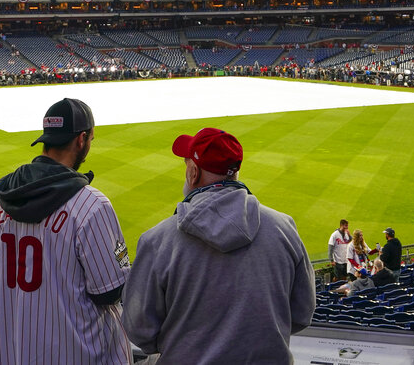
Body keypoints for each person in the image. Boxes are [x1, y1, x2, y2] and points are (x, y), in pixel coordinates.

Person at [122, 127, 315, 364]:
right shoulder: (284, 228)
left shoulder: (157, 240)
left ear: (193, 172)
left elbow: (140, 331)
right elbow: (302, 314)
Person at [0, 98, 131, 365]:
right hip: (79, 355)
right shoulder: (91, 205)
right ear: (81, 139)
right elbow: (110, 291)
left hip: (13, 355)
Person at [332, 258, 397, 296]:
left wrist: (347, 292)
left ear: (375, 267)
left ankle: (332, 291)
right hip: (390, 296)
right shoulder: (391, 274)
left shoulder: (373, 279)